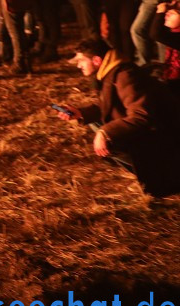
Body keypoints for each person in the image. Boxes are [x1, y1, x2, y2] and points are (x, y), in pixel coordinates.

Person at [55, 39, 180, 198]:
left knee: (108, 137)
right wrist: (80, 113)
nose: (79, 65)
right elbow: (107, 105)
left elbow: (141, 116)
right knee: (96, 125)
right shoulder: (110, 72)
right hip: (155, 130)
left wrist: (105, 132)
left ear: (97, 60)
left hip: (163, 135)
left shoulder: (124, 76)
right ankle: (145, 172)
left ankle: (159, 174)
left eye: (81, 61)